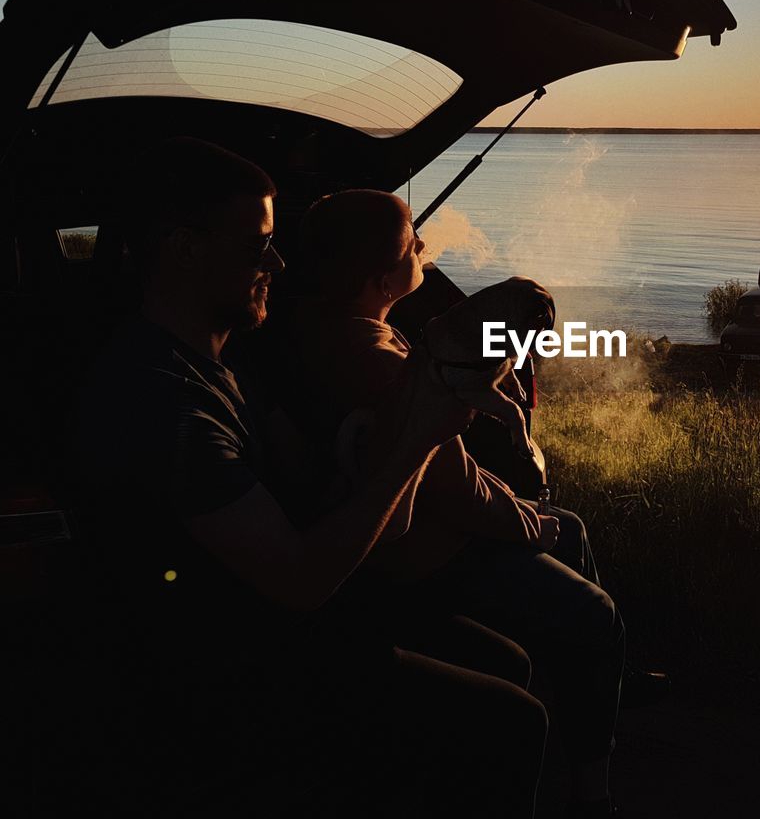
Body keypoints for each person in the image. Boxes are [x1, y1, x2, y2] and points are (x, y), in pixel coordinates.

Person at [64, 138, 546, 817]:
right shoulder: (161, 400)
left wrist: (409, 416)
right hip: (224, 664)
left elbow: (369, 517)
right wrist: (421, 439)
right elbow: (299, 580)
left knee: (505, 661)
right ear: (184, 250)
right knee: (512, 721)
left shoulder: (230, 371)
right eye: (258, 244)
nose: (278, 261)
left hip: (275, 618)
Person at [293, 189, 625, 819]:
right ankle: (591, 789)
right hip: (428, 554)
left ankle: (596, 683)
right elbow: (452, 485)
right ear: (381, 277)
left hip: (432, 531)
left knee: (571, 529)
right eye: (410, 239)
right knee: (596, 612)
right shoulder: (373, 358)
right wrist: (525, 522)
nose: (422, 244)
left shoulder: (341, 331)